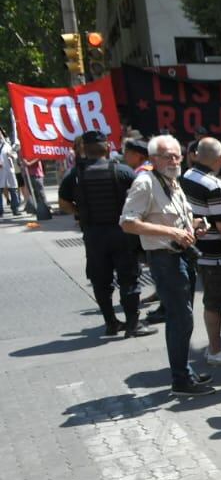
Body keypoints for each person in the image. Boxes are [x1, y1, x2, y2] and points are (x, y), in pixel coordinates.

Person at [120, 135, 215, 396]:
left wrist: (195, 225)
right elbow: (128, 222)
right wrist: (172, 233)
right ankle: (181, 380)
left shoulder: (172, 181)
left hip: (182, 256)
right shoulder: (145, 183)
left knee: (184, 319)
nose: (173, 160)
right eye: (166, 156)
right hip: (164, 259)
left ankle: (184, 372)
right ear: (153, 159)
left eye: (177, 155)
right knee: (180, 319)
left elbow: (179, 217)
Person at [56, 131, 155, 338]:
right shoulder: (123, 171)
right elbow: (143, 196)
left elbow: (64, 204)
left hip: (94, 236)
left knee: (101, 281)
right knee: (129, 279)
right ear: (108, 148)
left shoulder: (74, 175)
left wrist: (80, 213)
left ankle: (111, 323)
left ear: (84, 150)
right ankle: (133, 324)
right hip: (123, 233)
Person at [179, 137, 221, 367]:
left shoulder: (186, 176)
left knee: (213, 299)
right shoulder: (213, 184)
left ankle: (216, 345)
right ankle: (215, 350)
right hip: (214, 253)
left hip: (195, 249)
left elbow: (203, 209)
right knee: (216, 301)